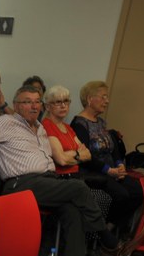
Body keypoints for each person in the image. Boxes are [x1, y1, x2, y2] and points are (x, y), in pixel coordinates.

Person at [0, 85, 118, 256]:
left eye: (37, 101)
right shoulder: (4, 123)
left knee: (73, 211)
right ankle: (106, 237)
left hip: (46, 181)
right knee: (78, 187)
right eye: (27, 102)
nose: (33, 106)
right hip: (21, 184)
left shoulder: (40, 127)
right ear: (16, 105)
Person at [71, 80, 142, 232]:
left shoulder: (101, 122)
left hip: (111, 171)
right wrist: (108, 170)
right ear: (90, 99)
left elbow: (112, 147)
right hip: (93, 173)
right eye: (103, 97)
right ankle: (103, 232)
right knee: (122, 194)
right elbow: (86, 157)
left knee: (139, 191)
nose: (107, 101)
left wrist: (119, 164)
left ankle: (111, 227)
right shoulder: (79, 124)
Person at [41, 85, 112, 226]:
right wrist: (79, 155)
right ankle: (103, 239)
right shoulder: (47, 125)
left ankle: (96, 241)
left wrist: (73, 156)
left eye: (66, 101)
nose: (63, 106)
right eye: (57, 102)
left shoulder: (68, 127)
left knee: (105, 196)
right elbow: (61, 160)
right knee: (100, 198)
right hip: (61, 179)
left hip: (76, 177)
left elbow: (88, 154)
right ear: (48, 107)